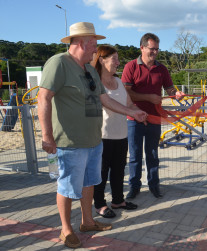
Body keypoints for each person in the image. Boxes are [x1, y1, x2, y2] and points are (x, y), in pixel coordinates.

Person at [38, 22, 147, 248]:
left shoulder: (89, 70)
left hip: (93, 141)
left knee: (89, 183)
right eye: (93, 45)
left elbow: (104, 99)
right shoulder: (58, 63)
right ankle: (66, 229)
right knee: (67, 187)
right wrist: (47, 136)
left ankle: (87, 221)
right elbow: (44, 98)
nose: (96, 50)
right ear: (80, 43)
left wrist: (132, 112)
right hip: (69, 142)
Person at [121, 33, 185, 199]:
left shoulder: (162, 69)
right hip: (134, 118)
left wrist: (176, 94)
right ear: (142, 48)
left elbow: (170, 89)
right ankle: (134, 187)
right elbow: (126, 94)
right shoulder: (131, 67)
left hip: (155, 118)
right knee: (135, 155)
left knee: (153, 154)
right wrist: (148, 97)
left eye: (157, 49)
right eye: (152, 49)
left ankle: (154, 185)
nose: (155, 52)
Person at [91, 45, 140, 218]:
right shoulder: (94, 82)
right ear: (102, 60)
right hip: (103, 136)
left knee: (119, 170)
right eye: (115, 59)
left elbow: (128, 104)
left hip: (121, 134)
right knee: (101, 173)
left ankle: (118, 200)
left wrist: (137, 111)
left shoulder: (118, 81)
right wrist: (132, 112)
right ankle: (99, 204)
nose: (119, 63)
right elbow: (108, 104)